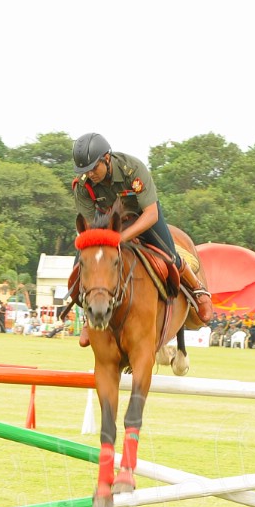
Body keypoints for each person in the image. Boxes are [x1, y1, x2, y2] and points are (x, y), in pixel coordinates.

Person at [71, 132, 212, 347]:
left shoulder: (132, 169)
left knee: (169, 254)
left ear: (106, 159)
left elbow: (151, 213)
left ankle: (199, 291)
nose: (90, 175)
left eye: (93, 168)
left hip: (143, 217)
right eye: (85, 171)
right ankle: (89, 316)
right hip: (108, 222)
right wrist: (102, 242)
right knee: (83, 263)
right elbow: (90, 227)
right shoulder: (82, 185)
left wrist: (121, 238)